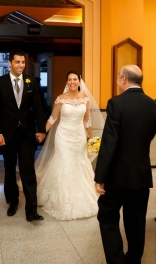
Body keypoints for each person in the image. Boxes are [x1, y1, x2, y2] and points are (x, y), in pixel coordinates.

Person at [94, 65, 156, 264]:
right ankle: (133, 260)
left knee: (107, 218)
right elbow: (149, 137)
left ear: (123, 79)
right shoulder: (153, 106)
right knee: (136, 222)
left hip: (117, 176)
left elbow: (109, 142)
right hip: (141, 174)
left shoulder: (116, 103)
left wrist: (100, 176)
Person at [35, 70, 105, 220]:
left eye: (75, 79)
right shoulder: (61, 99)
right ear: (66, 82)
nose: (72, 82)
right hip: (63, 136)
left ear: (79, 82)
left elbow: (87, 121)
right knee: (64, 162)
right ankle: (62, 199)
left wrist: (91, 138)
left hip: (79, 137)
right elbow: (53, 119)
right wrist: (42, 132)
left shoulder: (85, 99)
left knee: (79, 163)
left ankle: (83, 196)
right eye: (69, 79)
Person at [0, 49, 46, 221]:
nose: (21, 65)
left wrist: (42, 130)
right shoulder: (0, 82)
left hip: (27, 134)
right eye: (17, 62)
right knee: (9, 170)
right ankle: (13, 202)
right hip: (7, 135)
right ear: (10, 63)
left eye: (23, 62)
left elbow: (38, 107)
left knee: (28, 171)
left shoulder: (31, 82)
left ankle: (31, 210)